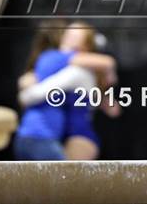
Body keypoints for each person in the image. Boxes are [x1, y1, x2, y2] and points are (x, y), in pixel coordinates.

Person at [14, 21, 119, 160]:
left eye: (76, 36)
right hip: (58, 135)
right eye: (69, 33)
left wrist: (25, 92)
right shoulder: (64, 64)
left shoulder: (76, 71)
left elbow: (37, 93)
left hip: (78, 136)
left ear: (84, 46)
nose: (70, 37)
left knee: (66, 178)